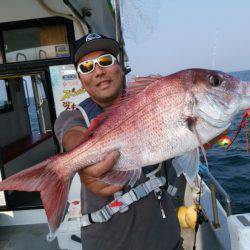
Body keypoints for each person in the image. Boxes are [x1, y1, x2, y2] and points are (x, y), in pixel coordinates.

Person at [54, 33, 183, 250]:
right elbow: (72, 136)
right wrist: (86, 162)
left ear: (120, 67)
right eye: (87, 67)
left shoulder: (151, 104)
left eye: (105, 61)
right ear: (81, 79)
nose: (99, 71)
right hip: (110, 243)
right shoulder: (74, 117)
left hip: (168, 240)